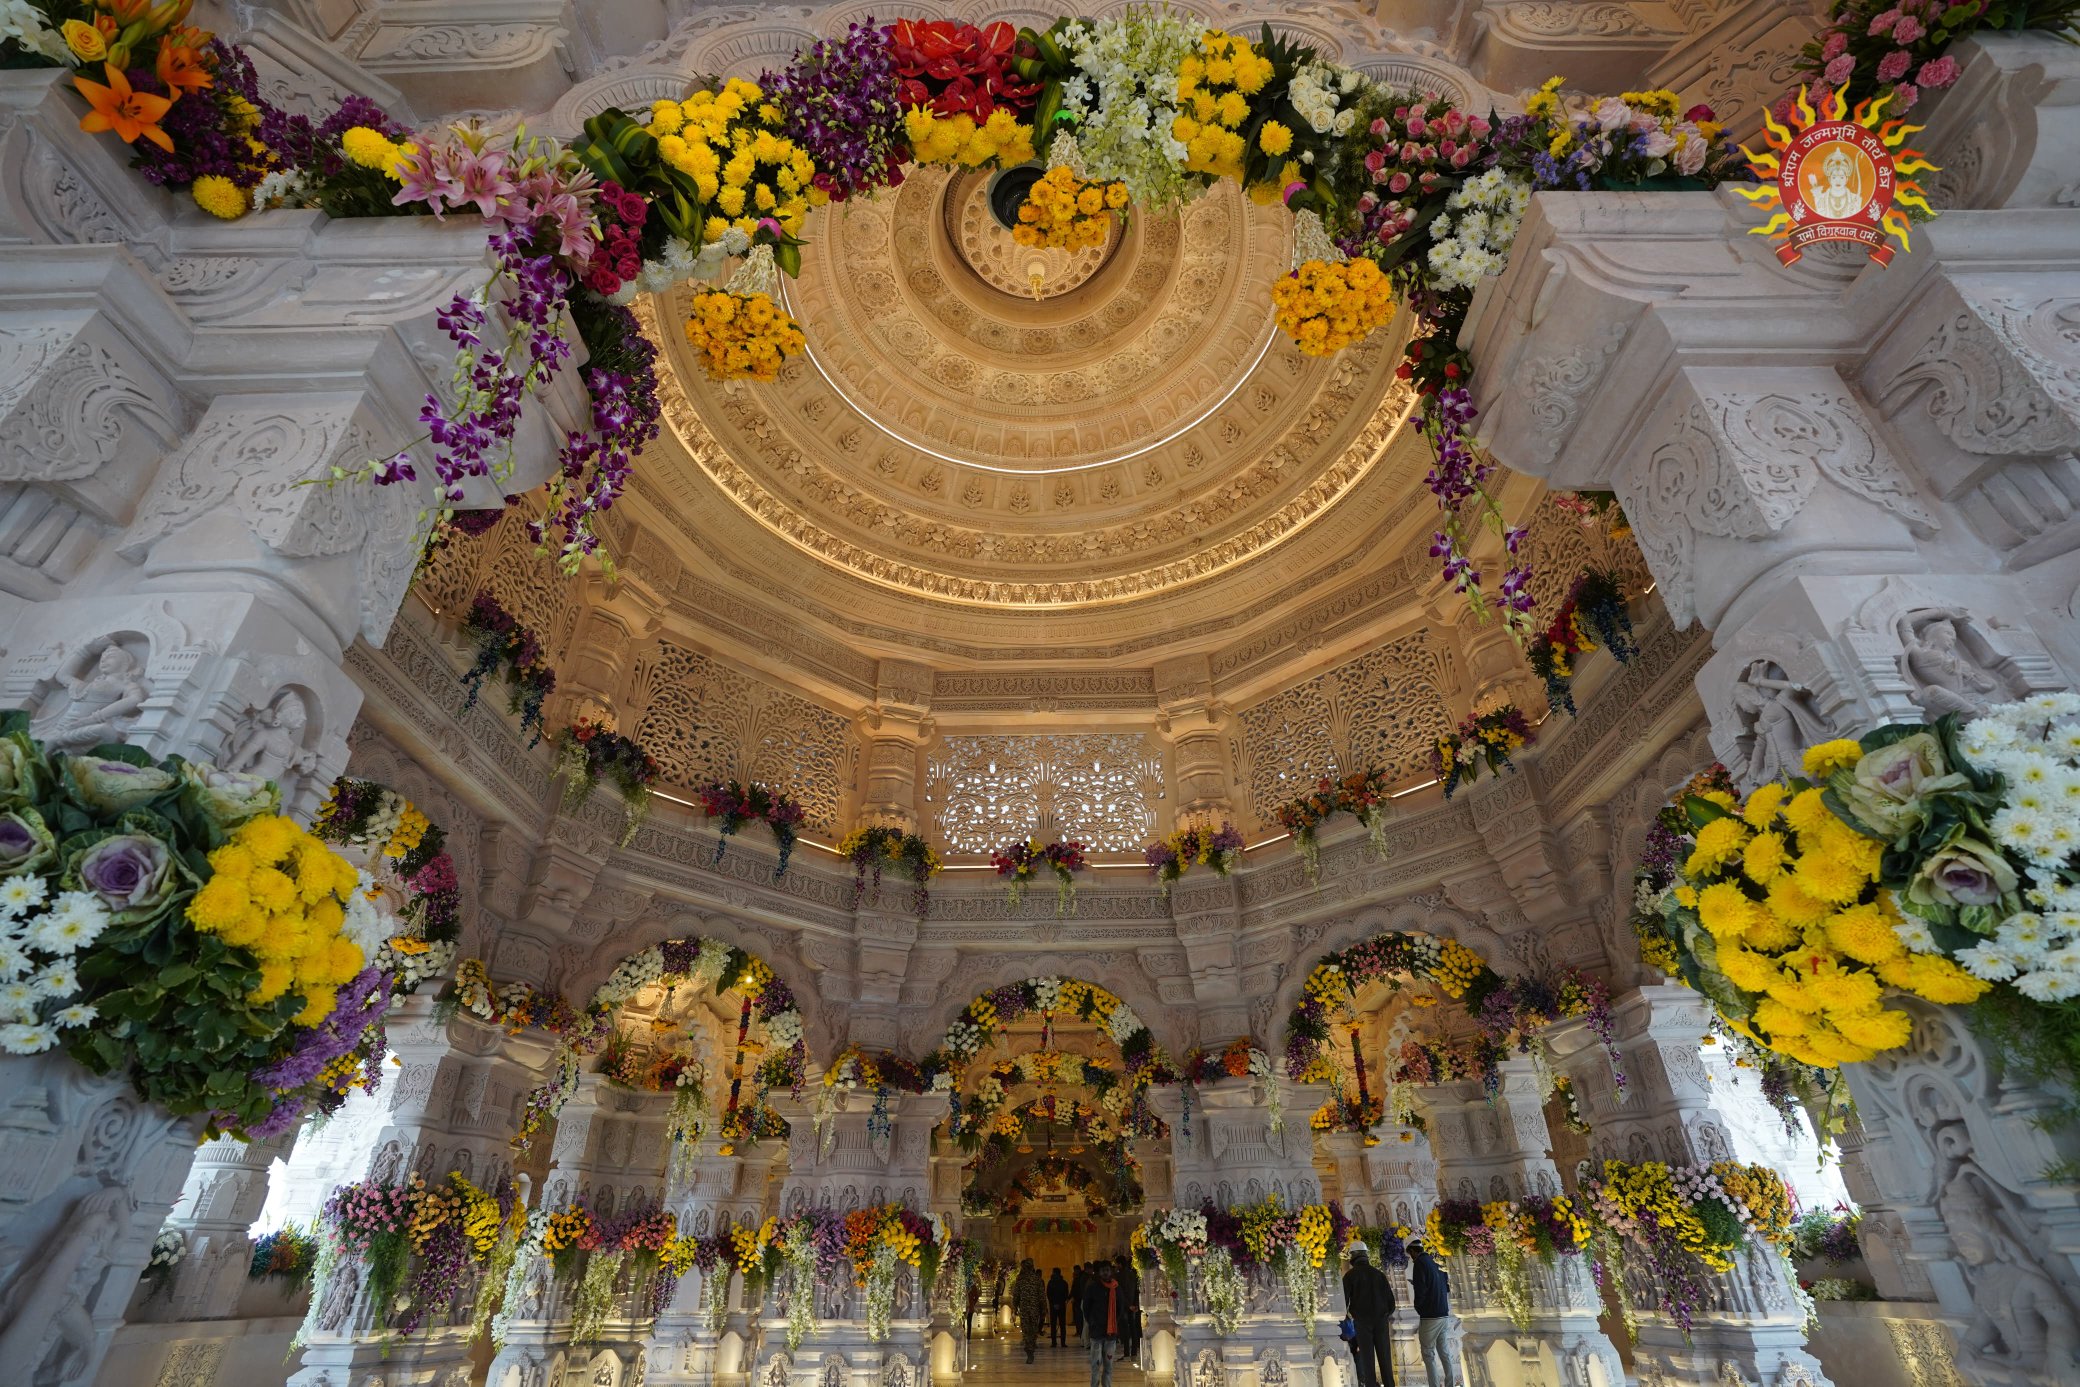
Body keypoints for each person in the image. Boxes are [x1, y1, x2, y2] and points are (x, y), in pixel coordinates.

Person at [1342, 1244, 1395, 1387]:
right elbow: (1391, 1304)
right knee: (1385, 1359)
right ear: (1366, 1254)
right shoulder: (1379, 1274)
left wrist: (1350, 1317)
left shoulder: (1350, 1276)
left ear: (1352, 1256)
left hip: (1362, 1323)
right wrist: (1382, 1315)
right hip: (1381, 1321)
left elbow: (1343, 1303)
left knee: (1367, 1362)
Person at [1409, 1240, 1458, 1387]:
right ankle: (1450, 1383)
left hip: (1430, 1316)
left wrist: (1420, 1307)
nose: (1411, 1257)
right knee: (1444, 1352)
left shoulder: (1419, 1263)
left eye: (1410, 1254)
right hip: (1443, 1313)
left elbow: (1421, 1290)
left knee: (1428, 1354)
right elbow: (1446, 1286)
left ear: (1412, 1251)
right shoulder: (1435, 1260)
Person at [1080, 1259, 1126, 1387]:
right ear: (1099, 1273)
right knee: (1095, 1365)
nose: (1105, 1273)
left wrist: (1114, 1321)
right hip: (1097, 1332)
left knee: (1109, 1366)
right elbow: (1086, 1307)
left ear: (1110, 1271)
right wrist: (1092, 1322)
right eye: (1103, 1271)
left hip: (1110, 1334)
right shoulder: (1093, 1288)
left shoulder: (1116, 1288)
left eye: (1107, 1270)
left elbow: (1120, 1307)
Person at [1013, 1258, 1047, 1363]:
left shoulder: (1020, 1279)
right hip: (1034, 1310)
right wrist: (1043, 1309)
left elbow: (1016, 1295)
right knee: (1033, 1330)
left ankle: (1029, 1350)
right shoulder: (1037, 1279)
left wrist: (1015, 1307)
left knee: (1026, 1331)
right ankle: (1031, 1348)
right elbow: (1042, 1296)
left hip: (1024, 1309)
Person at [1116, 1253, 1143, 1360]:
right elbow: (1137, 1291)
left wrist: (1128, 1305)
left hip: (1124, 1306)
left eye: (1117, 1264)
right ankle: (1134, 1354)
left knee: (1125, 1330)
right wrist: (1135, 1304)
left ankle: (1127, 1353)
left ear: (1120, 1264)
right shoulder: (1133, 1274)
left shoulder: (1118, 1276)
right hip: (1133, 1306)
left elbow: (1120, 1292)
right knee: (1133, 1328)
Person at [1047, 1267, 1071, 1347]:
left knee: (1053, 1325)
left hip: (1053, 1306)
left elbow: (1049, 1294)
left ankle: (1054, 1343)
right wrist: (1060, 1303)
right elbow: (1066, 1294)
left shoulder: (1050, 1282)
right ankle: (1063, 1343)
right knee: (1062, 1325)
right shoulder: (1064, 1283)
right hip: (1062, 1306)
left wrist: (1054, 1303)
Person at [1070, 1262, 1089, 1339]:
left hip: (1080, 1300)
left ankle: (1080, 1333)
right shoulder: (1081, 1277)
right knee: (1079, 1318)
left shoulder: (1080, 1278)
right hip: (1080, 1300)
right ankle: (1080, 1332)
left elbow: (1074, 1290)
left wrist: (1070, 1297)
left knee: (1080, 1318)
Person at [966, 1273, 982, 1341]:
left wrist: (972, 1303)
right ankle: (967, 1337)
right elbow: (976, 1297)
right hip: (968, 1306)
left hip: (969, 1306)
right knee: (967, 1322)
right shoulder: (970, 1286)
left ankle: (968, 1337)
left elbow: (976, 1296)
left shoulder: (973, 1286)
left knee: (969, 1322)